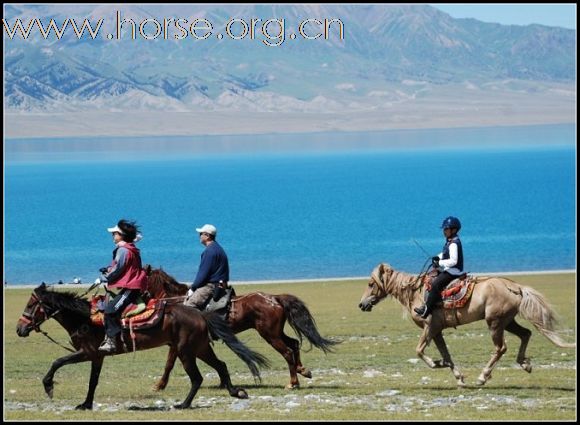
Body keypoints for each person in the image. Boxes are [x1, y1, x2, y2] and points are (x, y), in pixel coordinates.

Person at [98, 219, 147, 353]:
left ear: (121, 235)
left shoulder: (123, 250)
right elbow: (119, 267)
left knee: (110, 310)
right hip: (128, 284)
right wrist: (108, 270)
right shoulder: (128, 248)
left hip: (130, 288)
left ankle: (112, 342)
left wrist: (105, 277)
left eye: (114, 233)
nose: (113, 236)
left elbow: (118, 269)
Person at [414, 216, 464, 319]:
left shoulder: (454, 243)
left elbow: (453, 261)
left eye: (446, 229)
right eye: (444, 229)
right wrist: (437, 257)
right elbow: (445, 254)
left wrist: (440, 263)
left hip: (453, 271)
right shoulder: (450, 241)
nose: (444, 231)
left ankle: (427, 310)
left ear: (453, 230)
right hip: (450, 269)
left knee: (435, 284)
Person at [183, 224, 229, 310]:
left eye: (201, 234)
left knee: (188, 307)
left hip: (210, 286)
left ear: (207, 236)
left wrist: (193, 288)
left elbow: (203, 274)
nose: (199, 236)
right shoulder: (218, 248)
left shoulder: (209, 252)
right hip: (221, 285)